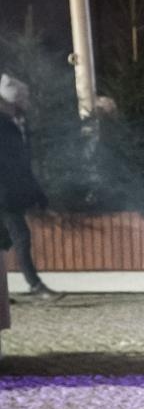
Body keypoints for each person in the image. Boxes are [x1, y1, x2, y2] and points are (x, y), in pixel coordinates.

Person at [0, 74, 60, 300]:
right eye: (23, 98)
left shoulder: (17, 123)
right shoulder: (4, 124)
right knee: (21, 237)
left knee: (5, 241)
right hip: (4, 195)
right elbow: (11, 163)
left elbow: (22, 164)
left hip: (9, 193)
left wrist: (37, 194)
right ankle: (35, 286)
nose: (27, 101)